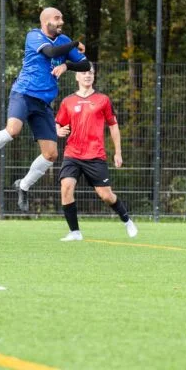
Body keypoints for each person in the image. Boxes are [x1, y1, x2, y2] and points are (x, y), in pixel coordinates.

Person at [0, 7, 90, 211]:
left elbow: (85, 64)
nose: (61, 21)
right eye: (57, 18)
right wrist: (74, 44)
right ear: (46, 22)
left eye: (62, 18)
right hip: (24, 94)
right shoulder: (34, 36)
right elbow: (51, 52)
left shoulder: (64, 40)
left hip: (43, 103)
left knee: (51, 155)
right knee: (13, 130)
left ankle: (24, 185)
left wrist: (67, 66)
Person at [54, 65, 137, 241]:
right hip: (72, 154)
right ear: (77, 77)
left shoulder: (103, 100)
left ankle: (127, 220)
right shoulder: (67, 101)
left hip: (95, 155)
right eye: (84, 72)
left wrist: (118, 152)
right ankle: (75, 232)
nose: (88, 75)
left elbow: (113, 126)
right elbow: (58, 124)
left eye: (91, 73)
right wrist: (58, 131)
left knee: (106, 195)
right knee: (66, 187)